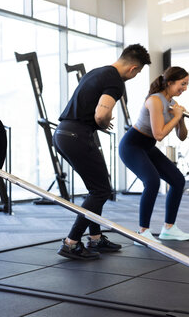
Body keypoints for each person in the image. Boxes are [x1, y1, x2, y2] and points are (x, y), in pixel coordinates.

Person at [53, 44, 151, 260]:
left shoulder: (96, 72)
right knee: (101, 191)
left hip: (62, 133)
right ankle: (71, 242)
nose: (135, 76)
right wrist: (104, 123)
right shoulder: (115, 81)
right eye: (138, 73)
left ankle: (95, 238)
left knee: (95, 189)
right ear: (133, 69)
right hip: (77, 136)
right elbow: (101, 114)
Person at [118, 66, 189, 245]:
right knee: (152, 182)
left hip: (148, 146)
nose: (185, 88)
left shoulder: (172, 104)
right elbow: (159, 134)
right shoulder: (155, 100)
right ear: (169, 82)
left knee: (178, 180)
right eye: (182, 84)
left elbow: (182, 136)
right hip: (132, 145)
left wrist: (180, 118)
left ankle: (168, 229)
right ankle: (142, 232)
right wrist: (176, 116)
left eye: (187, 84)